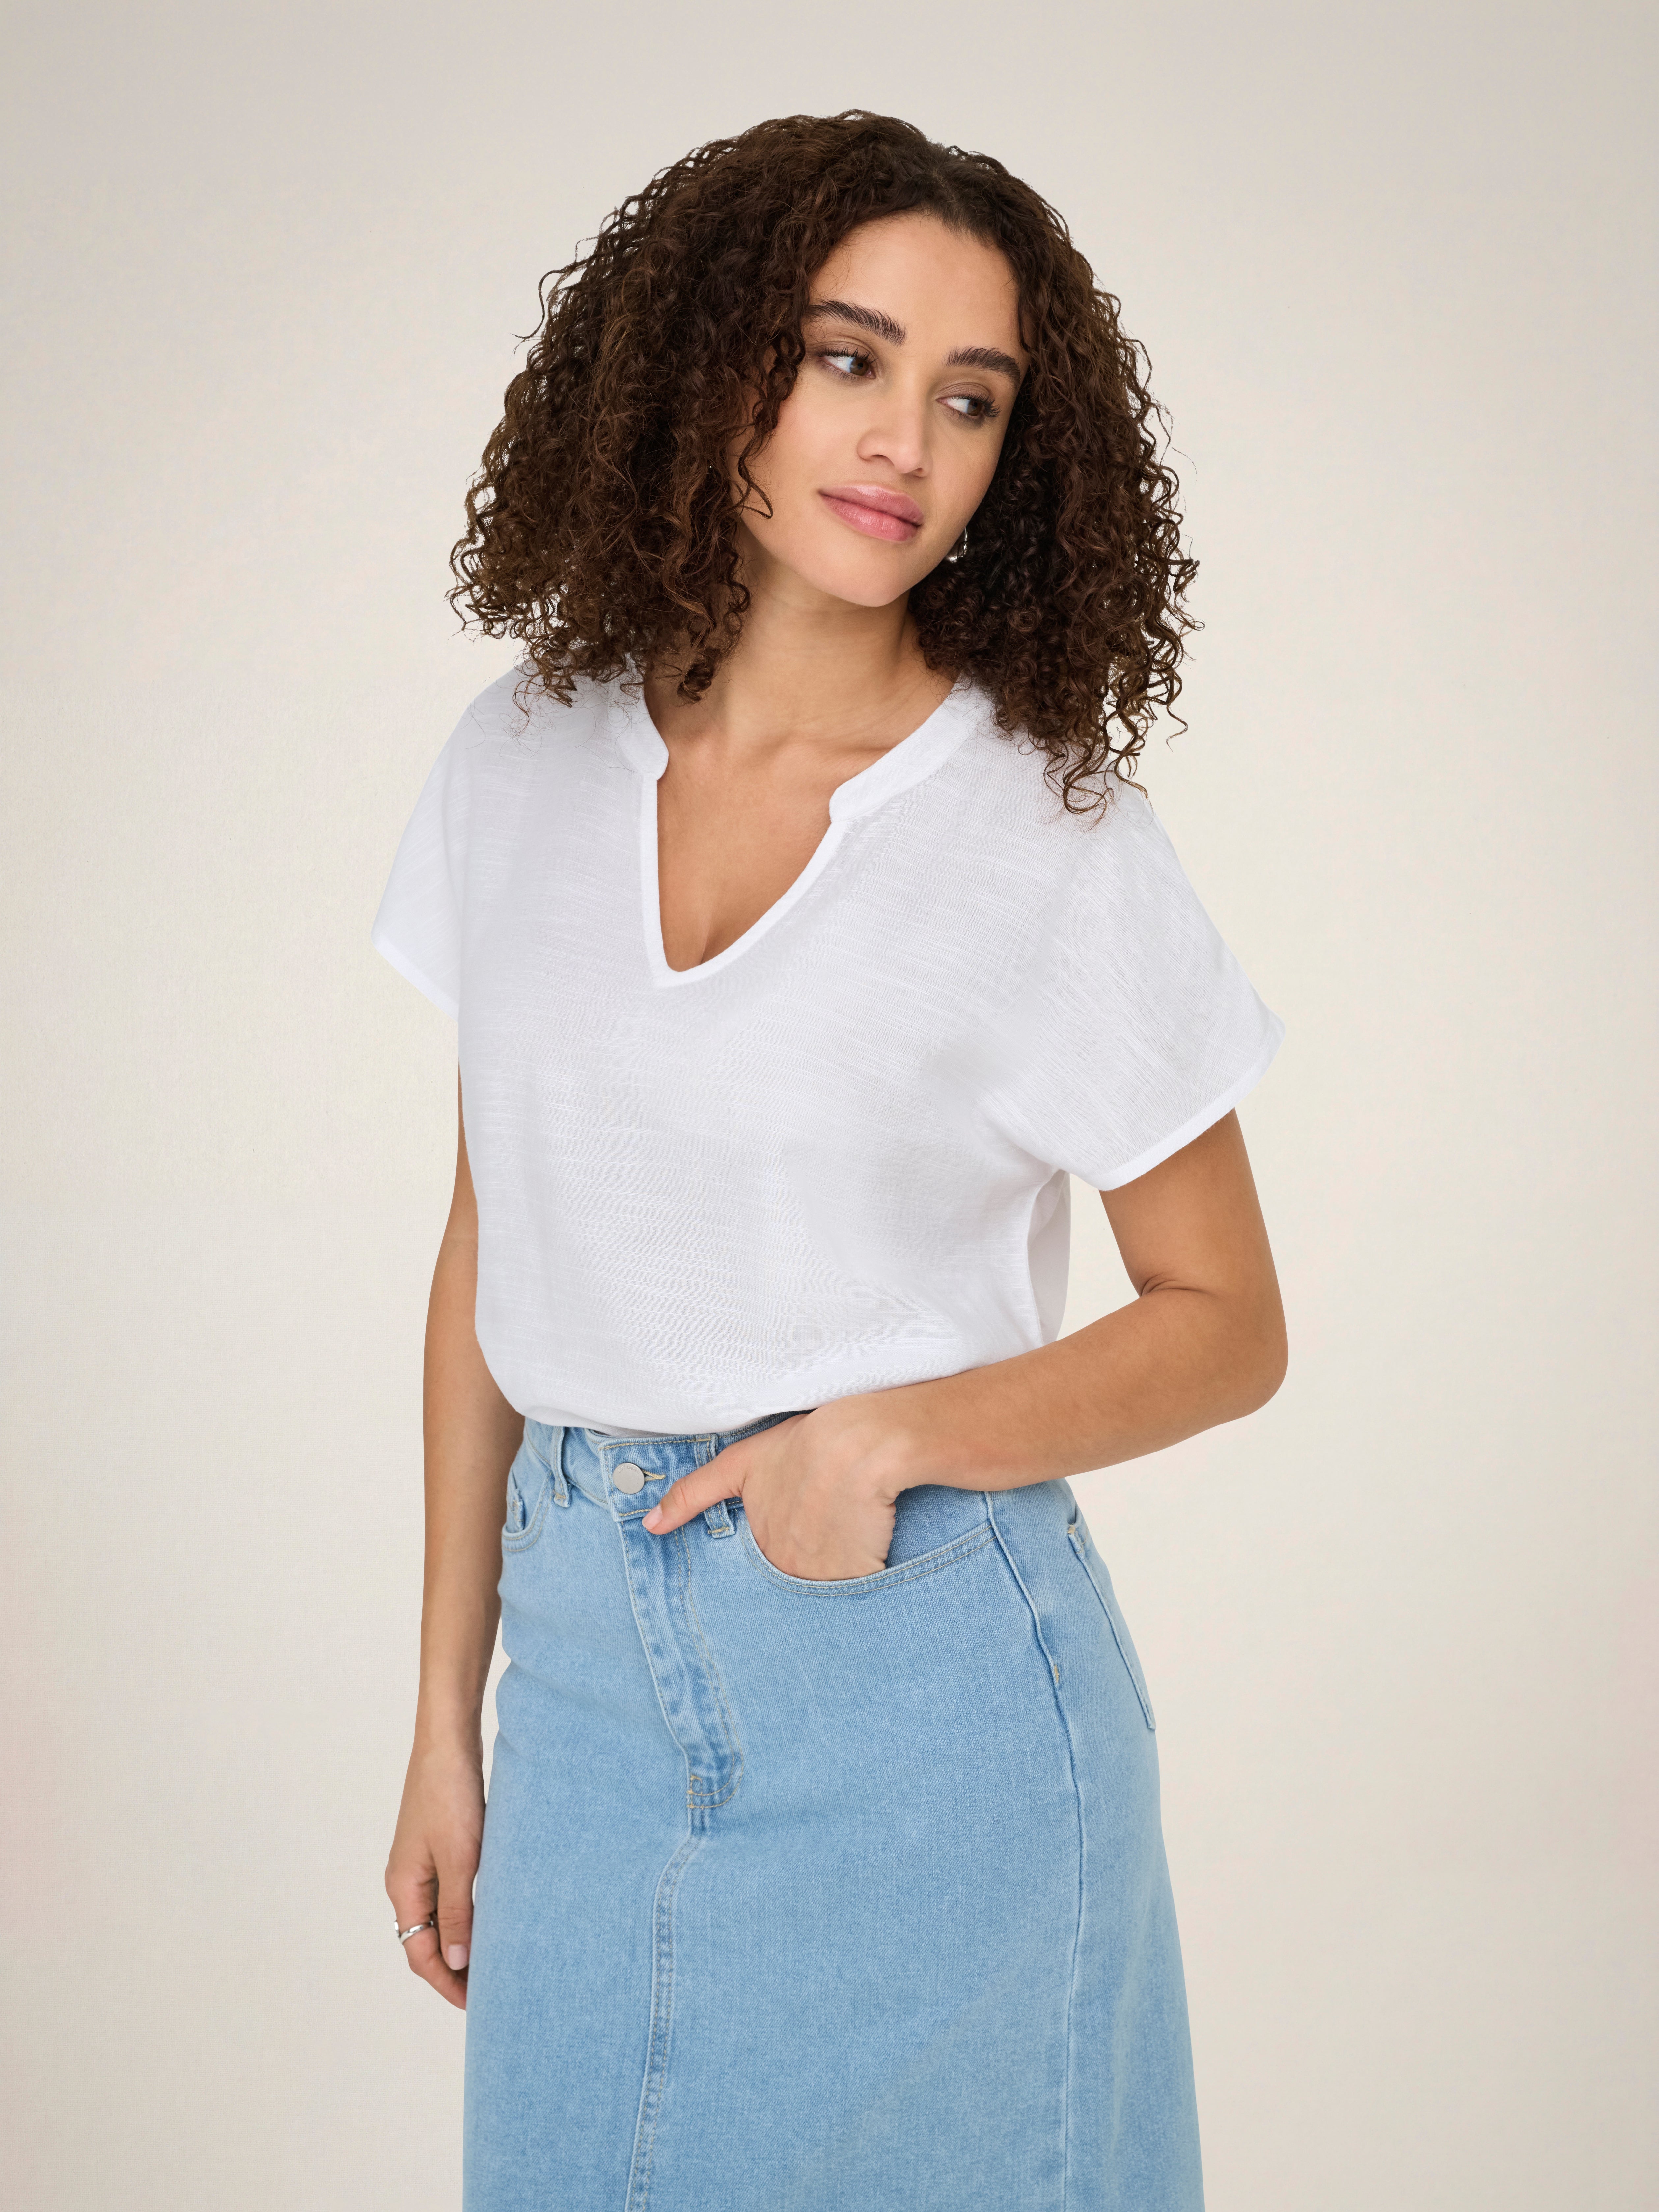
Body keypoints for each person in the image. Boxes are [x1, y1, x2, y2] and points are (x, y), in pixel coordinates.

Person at [373, 108, 1286, 2212]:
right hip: (581, 1675)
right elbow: (492, 1240)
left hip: (923, 1680)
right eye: (848, 359)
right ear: (712, 366)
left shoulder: (1042, 834)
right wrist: (445, 1714)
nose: (906, 444)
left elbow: (1230, 1320)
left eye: (973, 398)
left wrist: (884, 1439)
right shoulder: (522, 756)